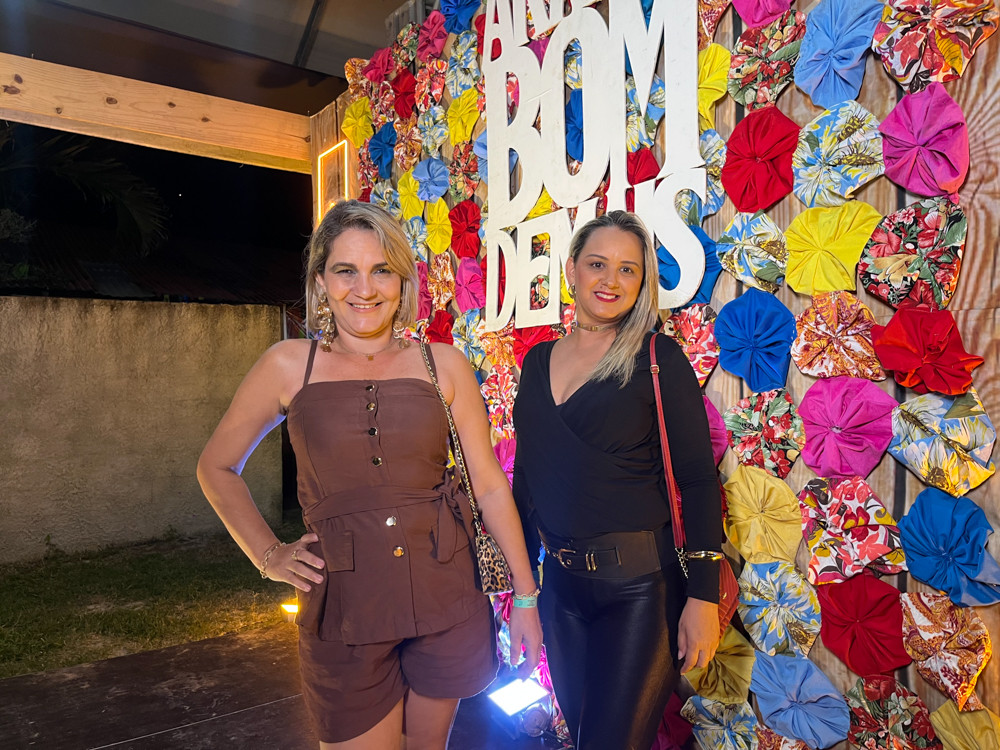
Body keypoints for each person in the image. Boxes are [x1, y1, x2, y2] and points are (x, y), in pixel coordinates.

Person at [197, 200, 543, 750]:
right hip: (345, 610)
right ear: (321, 282)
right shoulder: (288, 364)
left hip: (447, 597)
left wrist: (525, 600)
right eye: (346, 271)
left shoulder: (444, 363)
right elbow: (216, 467)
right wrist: (268, 555)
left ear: (402, 282)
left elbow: (489, 485)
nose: (365, 288)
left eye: (381, 269)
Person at [512, 210, 724, 749]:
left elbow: (699, 481)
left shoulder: (658, 358)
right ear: (571, 269)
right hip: (560, 594)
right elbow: (527, 485)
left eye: (628, 269)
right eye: (597, 264)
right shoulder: (535, 362)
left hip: (641, 594)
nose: (611, 280)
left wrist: (703, 597)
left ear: (643, 281)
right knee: (584, 738)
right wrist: (524, 596)